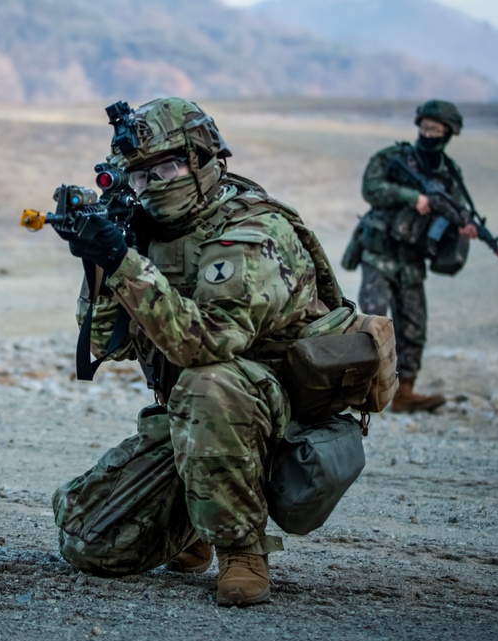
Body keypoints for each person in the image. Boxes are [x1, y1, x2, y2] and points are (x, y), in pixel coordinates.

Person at [51, 98, 345, 606]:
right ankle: (192, 526)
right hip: (195, 422)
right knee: (90, 543)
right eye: (140, 177)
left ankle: (242, 549)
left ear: (205, 158)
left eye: (166, 167)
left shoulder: (253, 232)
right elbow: (106, 344)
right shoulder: (150, 232)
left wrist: (125, 264)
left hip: (279, 414)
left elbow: (206, 343)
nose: (153, 186)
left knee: (210, 381)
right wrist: (100, 262)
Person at [355, 100, 478, 412]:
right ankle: (360, 390)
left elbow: (456, 209)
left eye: (436, 130)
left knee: (413, 326)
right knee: (372, 321)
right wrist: (412, 197)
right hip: (380, 252)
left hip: (411, 258)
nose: (428, 134)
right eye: (424, 128)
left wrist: (463, 227)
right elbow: (371, 188)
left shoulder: (451, 174)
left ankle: (404, 392)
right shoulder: (392, 157)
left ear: (448, 134)